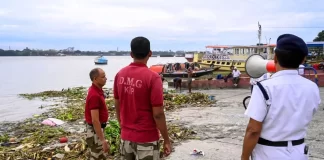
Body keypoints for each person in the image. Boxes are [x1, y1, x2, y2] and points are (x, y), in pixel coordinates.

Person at [241, 34, 321, 160]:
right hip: (299, 152)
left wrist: (244, 157)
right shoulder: (312, 88)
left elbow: (253, 130)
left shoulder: (264, 87)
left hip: (268, 154)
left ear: (275, 57)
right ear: (303, 60)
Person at [113, 36, 171, 160]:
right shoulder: (153, 78)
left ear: (131, 54)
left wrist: (122, 125)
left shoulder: (120, 74)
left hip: (126, 138)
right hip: (147, 139)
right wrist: (166, 139)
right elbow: (158, 114)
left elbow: (117, 104)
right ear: (150, 53)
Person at [84, 68, 109, 160]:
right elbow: (95, 120)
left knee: (100, 155)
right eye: (103, 77)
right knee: (97, 156)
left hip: (97, 130)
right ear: (95, 79)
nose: (106, 78)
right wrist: (103, 140)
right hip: (94, 132)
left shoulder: (97, 90)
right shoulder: (94, 95)